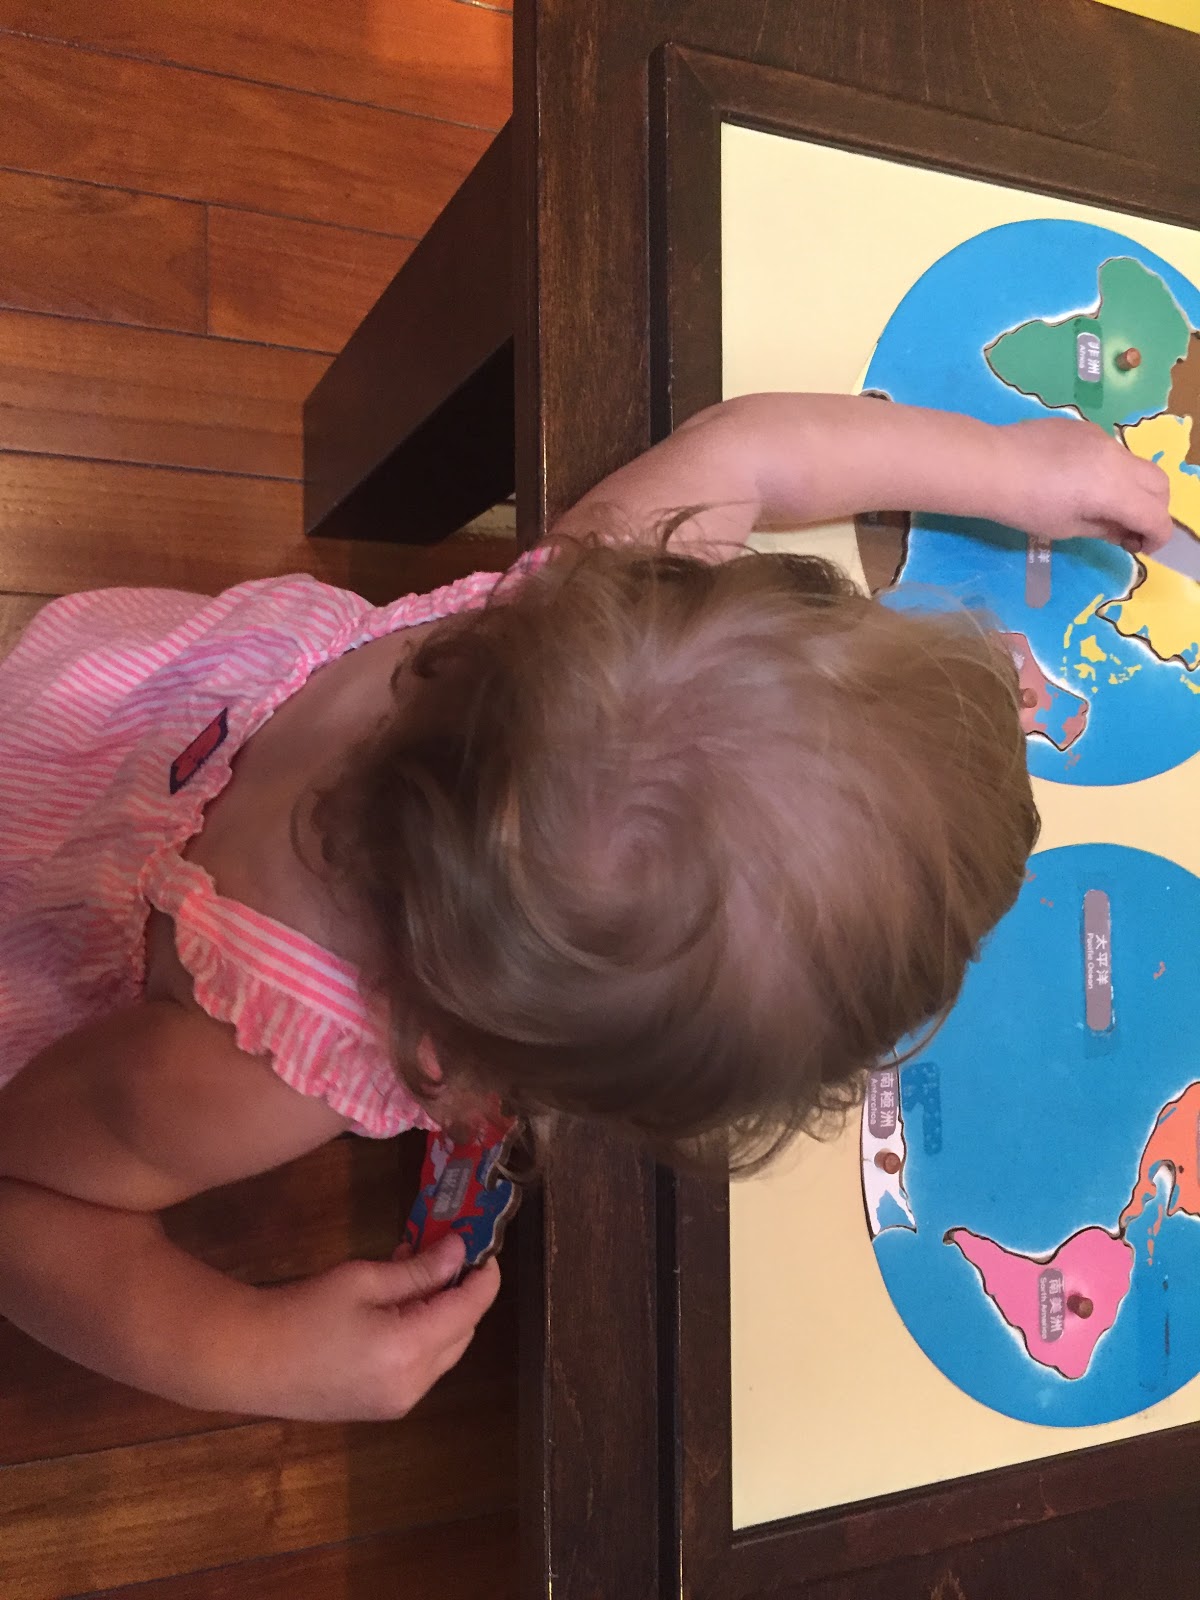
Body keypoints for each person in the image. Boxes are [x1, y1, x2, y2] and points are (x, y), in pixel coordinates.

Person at [0, 393, 1171, 1422]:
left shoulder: (571, 613)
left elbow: (753, 448)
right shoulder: (258, 1058)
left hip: (116, 700)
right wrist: (257, 1354)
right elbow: (26, 1195)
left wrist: (1012, 469)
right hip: (46, 872)